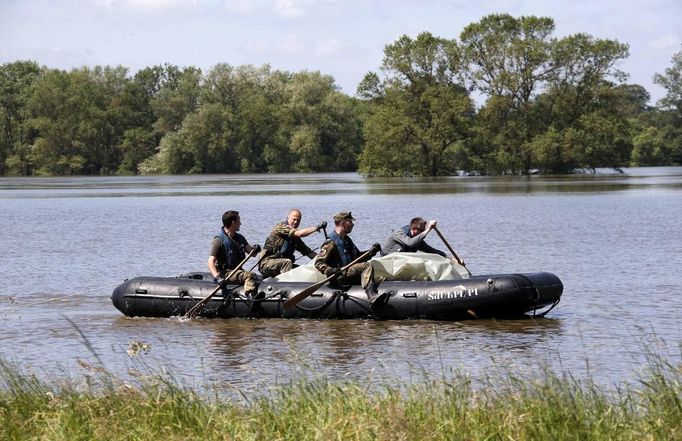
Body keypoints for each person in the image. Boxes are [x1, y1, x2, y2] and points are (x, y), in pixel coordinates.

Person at [314, 211, 383, 304]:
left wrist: (371, 252)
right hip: (339, 276)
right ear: (342, 223)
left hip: (349, 273)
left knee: (380, 278)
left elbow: (358, 258)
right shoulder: (330, 243)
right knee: (366, 266)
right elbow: (318, 262)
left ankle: (373, 290)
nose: (353, 225)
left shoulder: (346, 240)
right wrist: (330, 270)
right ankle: (371, 295)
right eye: (350, 222)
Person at [259, 209, 327, 278]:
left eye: (298, 221)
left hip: (281, 265)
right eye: (294, 219)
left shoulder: (295, 239)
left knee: (303, 270)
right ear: (288, 217)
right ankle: (286, 284)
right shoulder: (280, 227)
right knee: (287, 262)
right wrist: (317, 227)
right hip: (266, 264)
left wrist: (324, 260)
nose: (295, 222)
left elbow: (309, 253)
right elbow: (299, 233)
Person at [208, 210, 261, 298]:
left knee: (255, 277)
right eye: (239, 221)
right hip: (225, 273)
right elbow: (210, 262)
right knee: (250, 275)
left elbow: (252, 253)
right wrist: (217, 278)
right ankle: (251, 295)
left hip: (237, 271)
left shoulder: (240, 238)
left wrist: (256, 249)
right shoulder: (218, 240)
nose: (241, 223)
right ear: (233, 223)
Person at [382, 217, 447, 257]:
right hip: (388, 259)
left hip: (402, 261)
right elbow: (410, 243)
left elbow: (430, 250)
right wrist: (428, 229)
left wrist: (447, 257)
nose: (421, 233)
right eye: (421, 231)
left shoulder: (416, 240)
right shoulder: (399, 233)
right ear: (414, 229)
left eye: (423, 231)